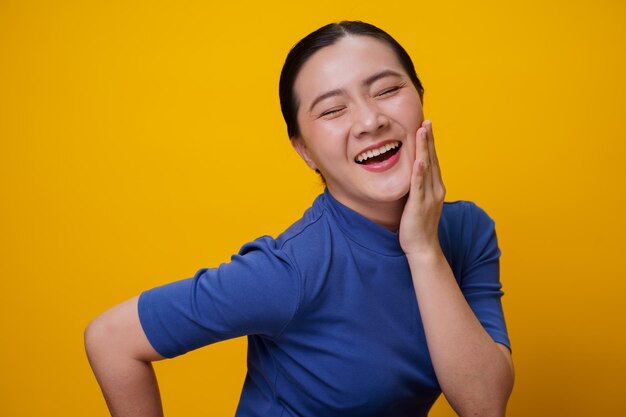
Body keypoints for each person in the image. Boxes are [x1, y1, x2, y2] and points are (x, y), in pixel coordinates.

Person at [85, 20, 514, 417]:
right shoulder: (292, 269)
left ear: (420, 98)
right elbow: (111, 339)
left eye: (386, 90)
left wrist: (423, 249)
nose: (369, 120)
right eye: (332, 110)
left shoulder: (467, 232)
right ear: (304, 149)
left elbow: (484, 405)